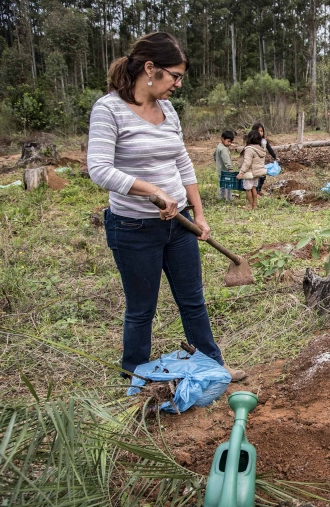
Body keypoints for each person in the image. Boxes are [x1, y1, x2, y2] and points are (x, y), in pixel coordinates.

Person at [87, 31, 246, 381]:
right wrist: (152, 190)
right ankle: (136, 375)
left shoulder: (168, 109)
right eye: (174, 76)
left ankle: (213, 365)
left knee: (192, 300)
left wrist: (198, 213)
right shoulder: (109, 109)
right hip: (133, 227)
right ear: (150, 69)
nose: (178, 84)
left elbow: (183, 162)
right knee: (141, 308)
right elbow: (99, 169)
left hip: (180, 224)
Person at [236, 129, 267, 210]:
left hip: (250, 173)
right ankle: (255, 205)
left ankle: (249, 206)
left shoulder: (249, 149)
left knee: (248, 189)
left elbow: (247, 162)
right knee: (254, 188)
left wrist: (241, 173)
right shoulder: (261, 149)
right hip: (257, 173)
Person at [251, 122, 279, 196]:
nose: (260, 133)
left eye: (261, 131)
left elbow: (270, 149)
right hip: (255, 162)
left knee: (263, 176)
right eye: (258, 131)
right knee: (256, 177)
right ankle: (256, 192)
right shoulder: (252, 141)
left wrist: (275, 156)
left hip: (261, 161)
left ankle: (259, 189)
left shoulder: (264, 141)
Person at [214, 130, 235, 201]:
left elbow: (214, 155)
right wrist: (230, 169)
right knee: (228, 185)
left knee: (222, 184)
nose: (230, 143)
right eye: (228, 141)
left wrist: (217, 162)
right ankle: (229, 199)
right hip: (226, 171)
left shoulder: (219, 146)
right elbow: (227, 161)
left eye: (231, 142)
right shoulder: (224, 149)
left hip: (220, 170)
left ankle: (221, 197)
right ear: (223, 138)